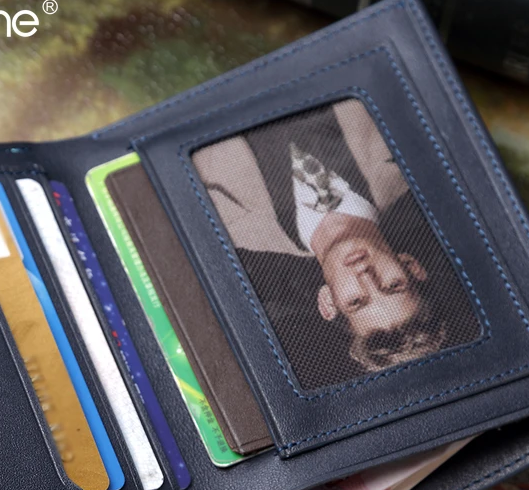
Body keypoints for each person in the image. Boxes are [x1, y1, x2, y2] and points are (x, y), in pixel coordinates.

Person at [193, 100, 465, 384]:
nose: (365, 276)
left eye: (356, 301)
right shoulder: (408, 150)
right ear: (410, 265)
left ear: (328, 302)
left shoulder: (225, 223)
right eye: (392, 285)